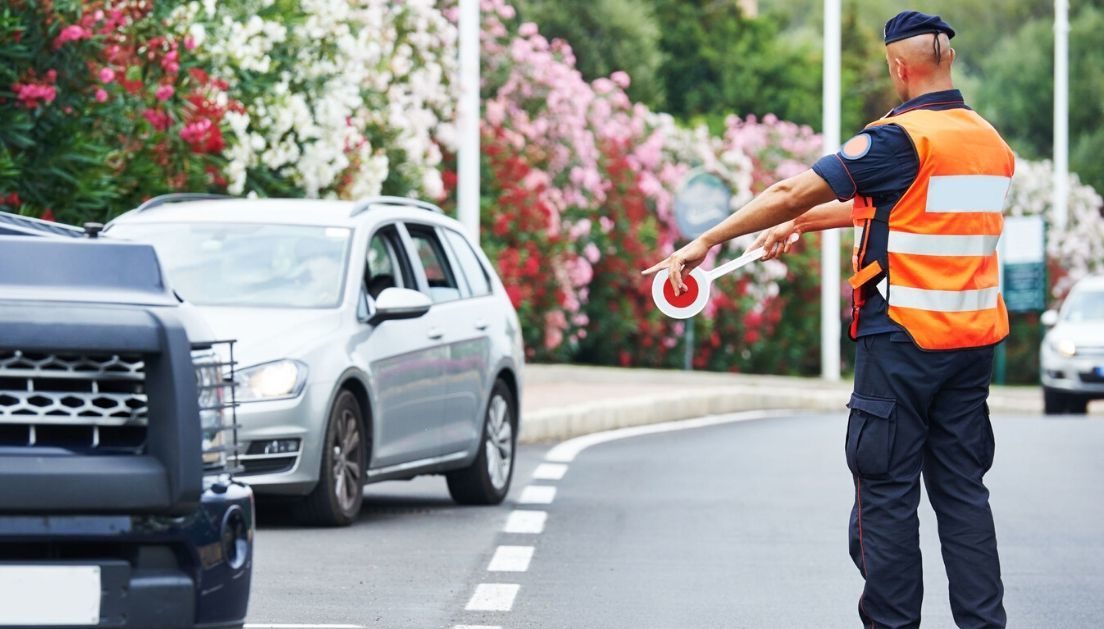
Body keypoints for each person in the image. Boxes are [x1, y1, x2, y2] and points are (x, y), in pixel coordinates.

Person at [642, 10, 1012, 629]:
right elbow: (910, 208)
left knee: (887, 495)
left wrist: (704, 242)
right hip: (970, 346)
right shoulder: (988, 143)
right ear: (948, 59)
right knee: (964, 495)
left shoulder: (901, 138)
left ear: (899, 65)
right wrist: (804, 224)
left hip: (901, 342)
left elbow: (792, 190)